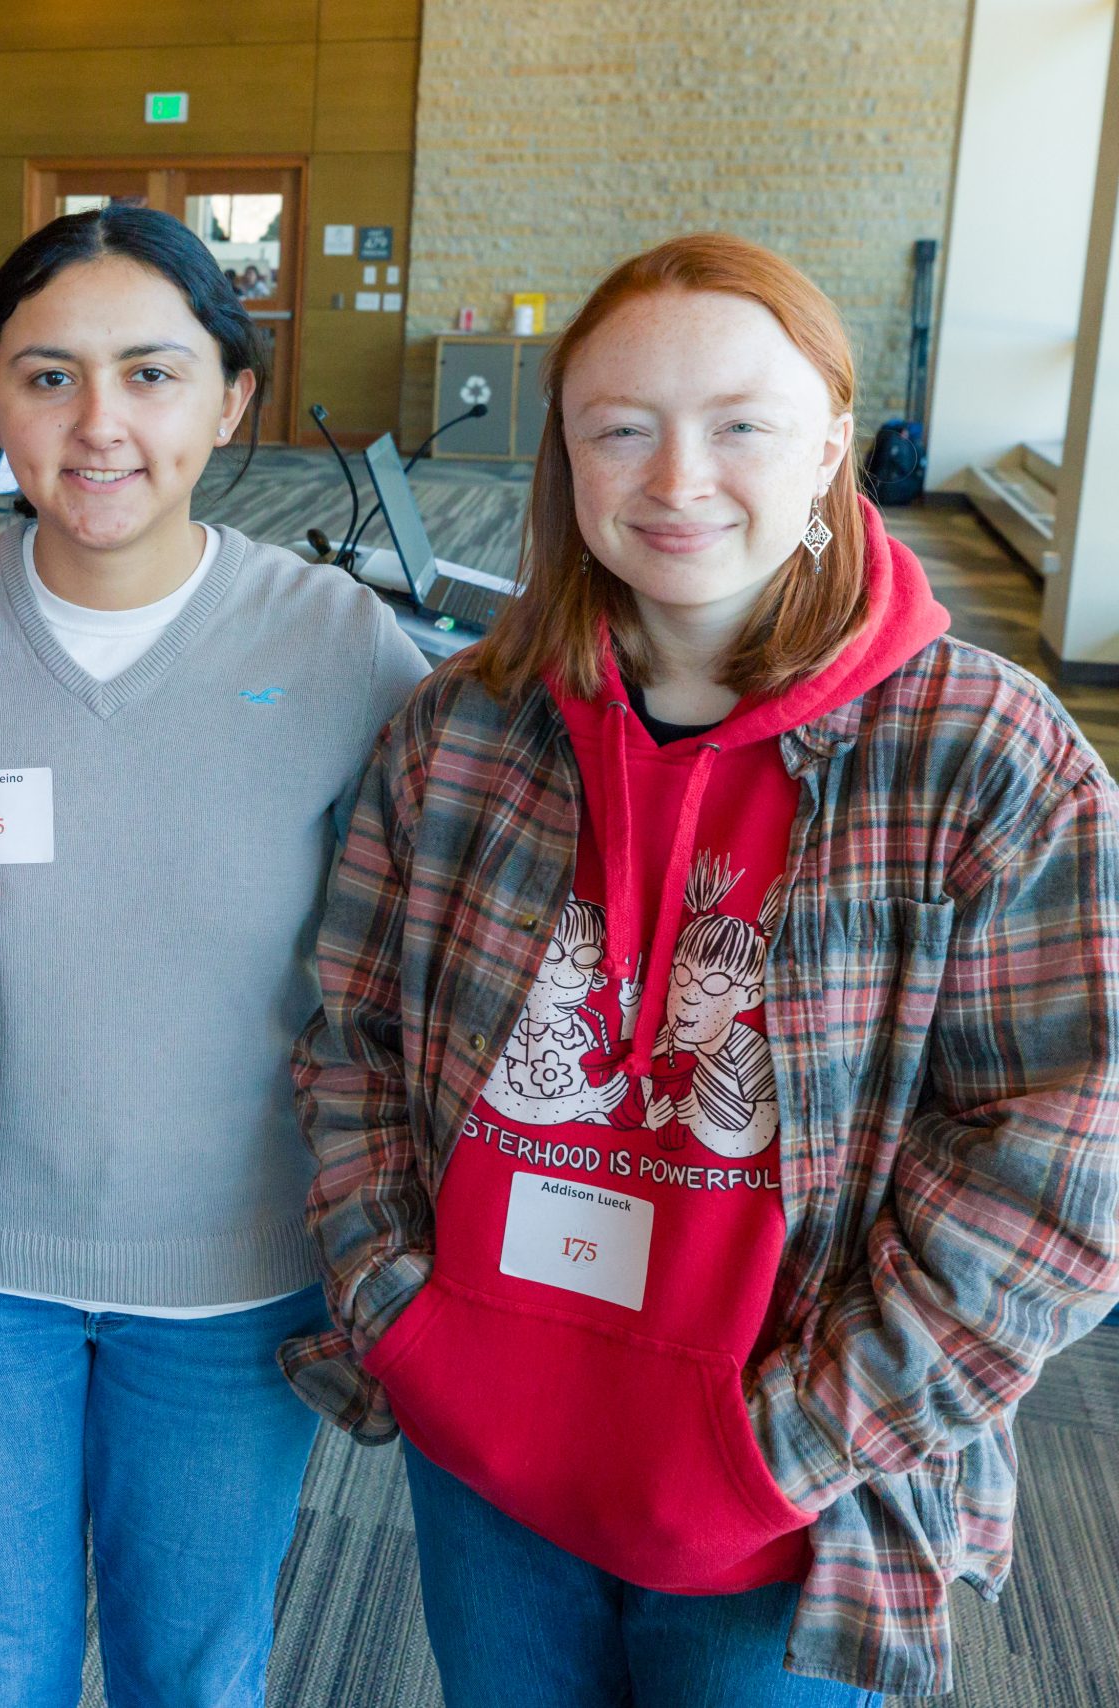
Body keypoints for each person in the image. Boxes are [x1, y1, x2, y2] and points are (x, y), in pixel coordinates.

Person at [289, 232, 1119, 1706]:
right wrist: (403, 1322)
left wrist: (784, 1452)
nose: (676, 481)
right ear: (564, 457)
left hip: (794, 1514)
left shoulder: (988, 757)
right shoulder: (459, 731)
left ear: (831, 449)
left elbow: (1061, 1174)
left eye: (739, 425)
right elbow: (347, 1043)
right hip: (482, 1452)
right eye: (621, 429)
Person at [0, 205, 429, 1707]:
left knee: (197, 1666)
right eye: (46, 377)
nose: (99, 424)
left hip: (240, 1269)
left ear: (231, 399)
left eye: (153, 375)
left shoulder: (342, 646)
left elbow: (452, 931)